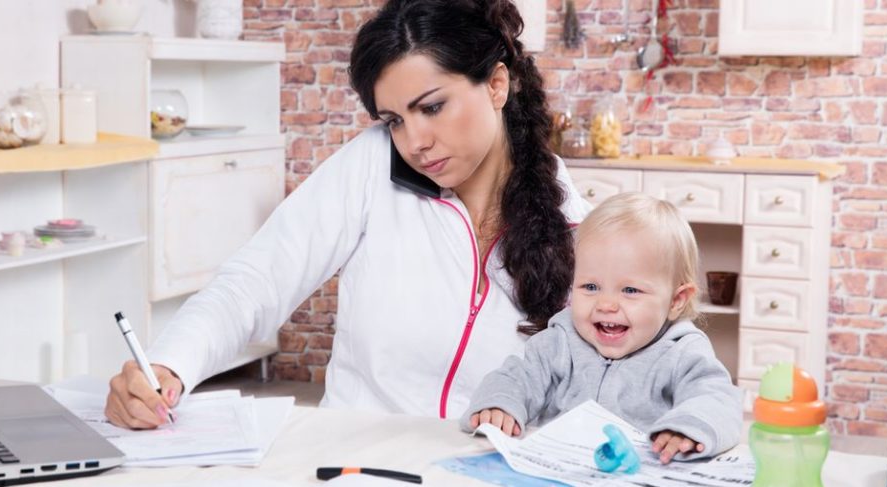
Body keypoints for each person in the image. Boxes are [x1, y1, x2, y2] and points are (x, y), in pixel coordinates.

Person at [104, 0, 592, 429]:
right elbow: (255, 281)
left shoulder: (580, 227)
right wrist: (169, 366)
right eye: (395, 120)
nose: (415, 142)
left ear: (497, 85)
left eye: (433, 107)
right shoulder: (373, 165)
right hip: (356, 465)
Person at [462, 192, 743, 464]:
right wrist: (498, 405)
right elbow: (516, 377)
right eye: (591, 286)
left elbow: (716, 397)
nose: (606, 304)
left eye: (630, 290)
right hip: (560, 470)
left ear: (676, 300)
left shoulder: (681, 351)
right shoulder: (560, 341)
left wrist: (687, 429)